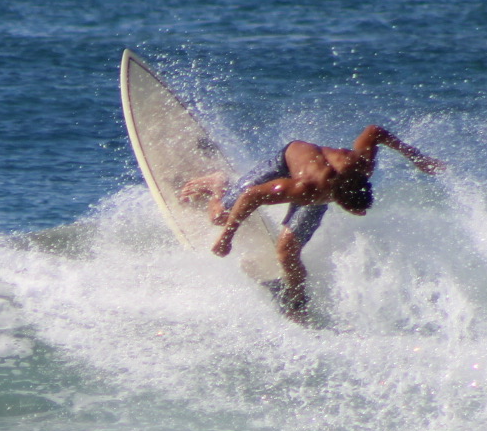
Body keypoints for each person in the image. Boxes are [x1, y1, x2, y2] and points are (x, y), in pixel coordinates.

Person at [179, 127, 445, 318]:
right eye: (352, 209)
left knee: (286, 252)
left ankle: (297, 301)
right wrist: (227, 237)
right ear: (336, 198)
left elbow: (375, 132)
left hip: (324, 182)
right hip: (288, 160)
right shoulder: (306, 189)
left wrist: (417, 158)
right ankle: (217, 183)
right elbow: (252, 196)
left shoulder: (362, 166)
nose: (359, 214)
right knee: (222, 216)